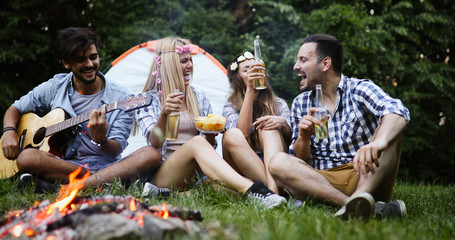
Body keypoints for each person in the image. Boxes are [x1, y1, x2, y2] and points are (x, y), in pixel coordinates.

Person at [268, 34, 411, 220]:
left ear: (325, 64)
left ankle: (361, 198)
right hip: (323, 181)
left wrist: (378, 143)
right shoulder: (300, 103)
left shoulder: (360, 89)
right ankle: (356, 207)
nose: (296, 66)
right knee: (278, 161)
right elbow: (300, 158)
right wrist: (304, 136)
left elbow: (398, 110)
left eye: (303, 60)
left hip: (366, 174)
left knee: (392, 132)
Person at [1, 27, 161, 192]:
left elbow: (115, 151)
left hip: (107, 167)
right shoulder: (56, 86)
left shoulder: (123, 97)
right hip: (66, 166)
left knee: (151, 154)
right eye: (80, 60)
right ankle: (95, 184)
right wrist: (8, 131)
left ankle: (68, 188)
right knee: (26, 157)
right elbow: (14, 108)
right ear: (66, 63)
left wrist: (102, 140)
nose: (90, 64)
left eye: (93, 57)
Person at [135, 36, 286, 208]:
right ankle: (255, 192)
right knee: (197, 143)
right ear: (170, 65)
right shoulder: (147, 99)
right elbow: (154, 141)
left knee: (232, 185)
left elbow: (208, 147)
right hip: (165, 173)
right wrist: (164, 114)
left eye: (191, 60)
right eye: (184, 61)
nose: (190, 66)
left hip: (196, 176)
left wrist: (210, 135)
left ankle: (171, 195)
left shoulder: (198, 97)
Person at [222, 51, 292, 194]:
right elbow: (242, 133)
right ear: (238, 78)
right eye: (247, 70)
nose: (253, 72)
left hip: (276, 163)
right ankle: (277, 191)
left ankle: (273, 194)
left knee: (268, 127)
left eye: (256, 68)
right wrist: (250, 91)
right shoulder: (229, 106)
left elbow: (293, 142)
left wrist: (283, 124)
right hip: (244, 169)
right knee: (232, 134)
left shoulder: (279, 104)